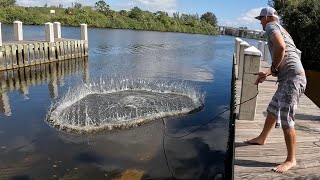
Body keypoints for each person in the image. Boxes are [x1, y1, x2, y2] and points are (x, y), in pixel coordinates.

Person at [244, 7, 307, 173]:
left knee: (286, 117)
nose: (260, 23)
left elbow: (280, 48)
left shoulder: (272, 26)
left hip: (293, 79)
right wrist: (268, 72)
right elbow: (284, 57)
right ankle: (261, 138)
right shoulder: (281, 28)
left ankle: (291, 159)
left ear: (267, 17)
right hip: (289, 77)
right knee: (273, 109)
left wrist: (272, 67)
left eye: (260, 19)